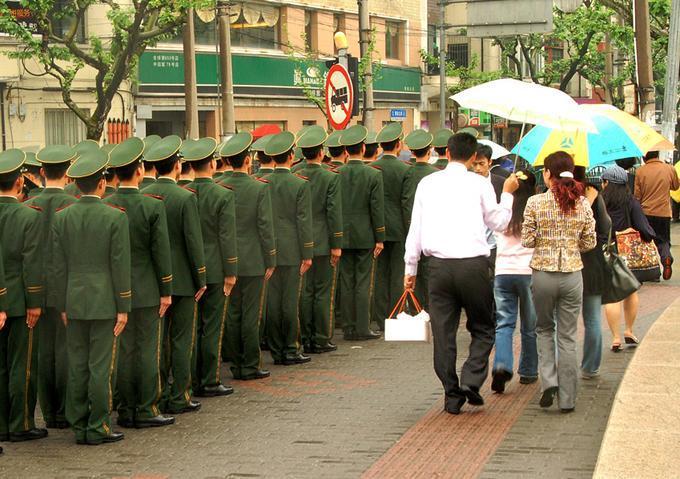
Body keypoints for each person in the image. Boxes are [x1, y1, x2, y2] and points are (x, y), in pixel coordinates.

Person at [404, 133, 518, 414]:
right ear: (471, 156)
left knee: (443, 333)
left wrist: (410, 269)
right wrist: (508, 195)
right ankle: (471, 377)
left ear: (447, 152)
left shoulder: (427, 183)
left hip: (438, 268)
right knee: (483, 326)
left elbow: (415, 228)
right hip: (472, 266)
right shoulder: (479, 183)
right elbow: (500, 222)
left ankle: (451, 394)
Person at [52, 149, 131, 445]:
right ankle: (97, 426)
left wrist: (61, 304)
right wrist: (123, 306)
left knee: (77, 364)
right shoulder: (115, 217)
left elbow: (58, 266)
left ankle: (79, 423)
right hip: (105, 301)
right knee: (100, 366)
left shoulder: (63, 217)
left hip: (73, 299)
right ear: (101, 184)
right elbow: (119, 265)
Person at [104, 137, 175, 428]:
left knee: (123, 350)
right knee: (147, 350)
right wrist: (166, 290)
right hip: (146, 289)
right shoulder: (151, 205)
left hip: (113, 290)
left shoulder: (107, 205)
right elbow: (161, 252)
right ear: (140, 169)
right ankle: (145, 408)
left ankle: (124, 407)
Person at [521, 151, 596, 413]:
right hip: (573, 275)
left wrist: (545, 236)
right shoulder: (583, 204)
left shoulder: (535, 202)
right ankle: (568, 399)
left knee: (544, 329)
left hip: (542, 274)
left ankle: (548, 382)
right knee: (567, 336)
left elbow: (527, 240)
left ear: (548, 174)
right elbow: (590, 242)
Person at [142, 136, 207, 414]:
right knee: (182, 340)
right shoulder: (185, 197)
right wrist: (201, 278)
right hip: (182, 279)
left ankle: (155, 394)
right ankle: (179, 394)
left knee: (157, 342)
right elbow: (193, 242)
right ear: (177, 166)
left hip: (153, 280)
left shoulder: (145, 196)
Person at [184, 138, 238, 397]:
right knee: (212, 326)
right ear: (214, 163)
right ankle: (209, 379)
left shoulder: (184, 192)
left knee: (192, 327)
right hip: (215, 268)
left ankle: (191, 378)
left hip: (189, 268)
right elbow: (227, 237)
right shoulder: (222, 194)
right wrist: (230, 272)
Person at [30, 145, 78, 430]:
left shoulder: (29, 206)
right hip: (67, 287)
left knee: (43, 352)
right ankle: (63, 409)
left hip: (35, 287)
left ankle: (48, 411)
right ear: (69, 170)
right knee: (65, 351)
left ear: (41, 173)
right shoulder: (73, 205)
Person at [221, 132, 276, 379]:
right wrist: (270, 258)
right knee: (251, 314)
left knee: (233, 313)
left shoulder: (219, 187)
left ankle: (235, 362)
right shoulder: (258, 188)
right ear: (247, 161)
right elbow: (265, 226)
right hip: (254, 259)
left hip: (227, 258)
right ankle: (250, 364)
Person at [0, 149, 45, 442]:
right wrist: (35, 302)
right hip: (19, 300)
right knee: (23, 365)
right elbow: (32, 263)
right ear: (19, 182)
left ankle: (2, 424)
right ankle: (21, 423)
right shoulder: (28, 215)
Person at [262, 132, 314, 365]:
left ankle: (275, 349)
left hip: (269, 248)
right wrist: (307, 253)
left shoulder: (261, 183)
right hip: (293, 248)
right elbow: (303, 221)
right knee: (290, 300)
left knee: (272, 301)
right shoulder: (299, 184)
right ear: (291, 156)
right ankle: (290, 348)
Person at [491, 169, 538, 393]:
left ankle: (501, 364)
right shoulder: (536, 208)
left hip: (503, 272)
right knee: (530, 325)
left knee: (504, 324)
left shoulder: (505, 206)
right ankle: (528, 371)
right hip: (528, 272)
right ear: (534, 188)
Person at [297, 126, 344, 354]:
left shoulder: (296, 173)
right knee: (323, 291)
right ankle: (321, 337)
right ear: (321, 152)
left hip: (300, 240)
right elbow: (333, 212)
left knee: (306, 291)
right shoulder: (329, 177)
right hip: (324, 240)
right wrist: (337, 244)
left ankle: (305, 335)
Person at [601, 165, 656, 351]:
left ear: (607, 183)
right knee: (631, 291)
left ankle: (615, 338)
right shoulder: (631, 202)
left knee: (612, 296)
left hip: (606, 252)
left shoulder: (599, 203)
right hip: (628, 254)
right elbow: (645, 229)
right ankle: (629, 330)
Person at [338, 125, 385, 340]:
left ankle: (348, 326)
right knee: (364, 281)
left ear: (346, 150)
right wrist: (380, 237)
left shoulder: (335, 174)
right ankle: (363, 327)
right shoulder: (373, 175)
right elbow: (376, 208)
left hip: (342, 235)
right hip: (365, 234)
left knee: (346, 280)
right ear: (364, 147)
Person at [372, 122, 411, 331]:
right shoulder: (405, 169)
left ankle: (379, 317)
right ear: (398, 144)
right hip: (398, 229)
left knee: (379, 274)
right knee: (397, 274)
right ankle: (395, 314)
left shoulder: (371, 168)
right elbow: (406, 204)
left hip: (375, 229)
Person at [573, 166, 611, 379]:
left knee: (561, 320)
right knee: (593, 318)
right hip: (592, 261)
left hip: (568, 263)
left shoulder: (557, 194)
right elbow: (606, 225)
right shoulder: (593, 193)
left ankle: (561, 366)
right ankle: (590, 367)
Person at [402, 129, 437, 309]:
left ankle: (416, 307)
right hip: (432, 231)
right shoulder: (436, 173)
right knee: (429, 272)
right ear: (429, 151)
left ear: (412, 152)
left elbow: (406, 202)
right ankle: (431, 307)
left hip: (411, 229)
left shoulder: (407, 172)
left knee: (413, 270)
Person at [634, 150, 679, 279]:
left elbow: (637, 196)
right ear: (658, 155)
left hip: (646, 213)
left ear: (644, 157)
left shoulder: (640, 171)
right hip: (664, 213)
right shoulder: (669, 169)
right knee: (663, 240)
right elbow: (676, 186)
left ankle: (653, 273)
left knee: (647, 241)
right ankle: (666, 258)